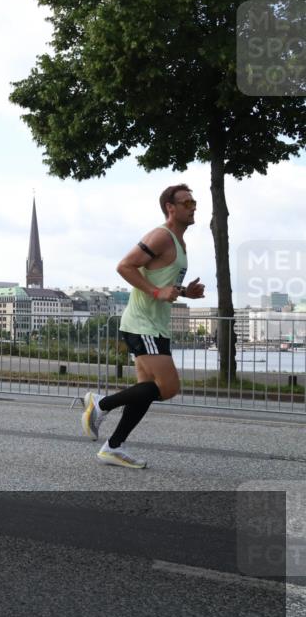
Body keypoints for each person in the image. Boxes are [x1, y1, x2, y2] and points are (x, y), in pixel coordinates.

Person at [81, 184, 205, 468]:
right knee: (169, 387)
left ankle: (113, 447)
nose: (193, 206)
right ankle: (101, 404)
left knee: (146, 390)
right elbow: (125, 266)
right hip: (142, 325)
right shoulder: (161, 236)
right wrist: (156, 293)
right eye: (187, 202)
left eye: (194, 201)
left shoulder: (179, 243)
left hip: (154, 325)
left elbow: (163, 282)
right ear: (170, 208)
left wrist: (185, 292)